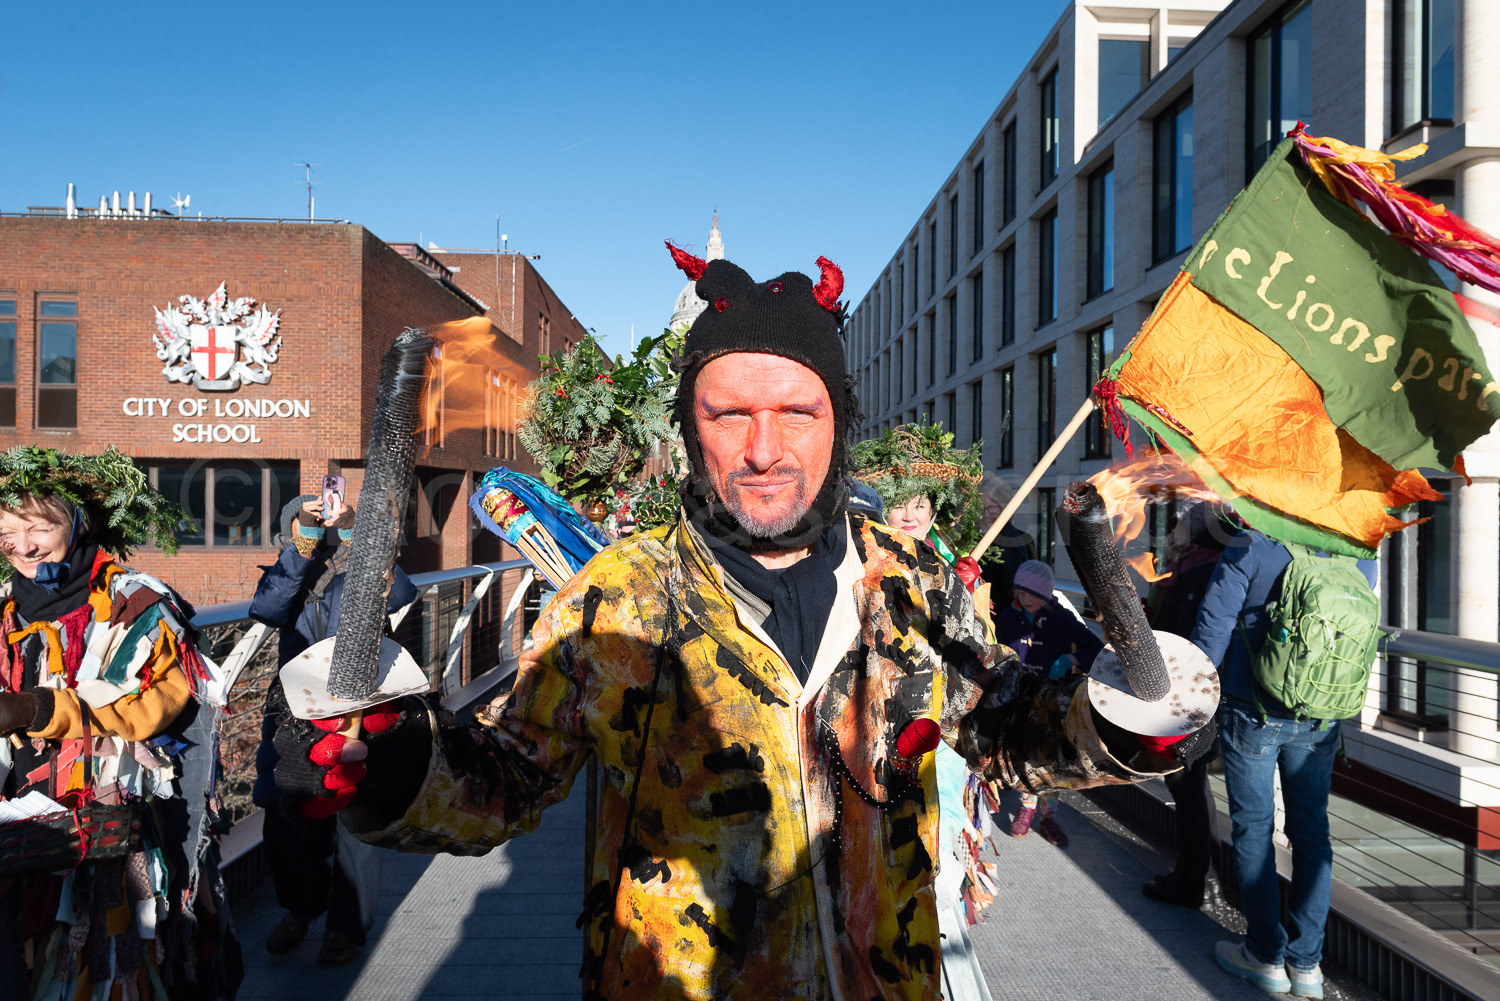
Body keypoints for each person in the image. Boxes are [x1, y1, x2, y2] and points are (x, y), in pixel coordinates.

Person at [270, 247, 1204, 1001]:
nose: (764, 449)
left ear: (840, 421)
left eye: (797, 411)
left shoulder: (912, 580)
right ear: (691, 426)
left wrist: (1118, 722)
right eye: (730, 413)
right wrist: (392, 766)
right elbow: (506, 778)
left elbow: (1005, 734)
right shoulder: (619, 596)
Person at [0, 446, 239, 1000]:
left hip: (114, 819)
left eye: (39, 527)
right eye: (8, 533)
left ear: (79, 522)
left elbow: (152, 708)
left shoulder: (139, 603)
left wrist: (39, 709)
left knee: (113, 956)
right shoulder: (6, 610)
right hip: (22, 822)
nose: (23, 546)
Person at [1191, 529, 1376, 999]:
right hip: (1321, 715)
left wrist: (1191, 704)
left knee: (1254, 827)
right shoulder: (1358, 553)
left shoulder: (1250, 545)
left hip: (1251, 707)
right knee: (1312, 831)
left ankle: (1264, 955)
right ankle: (1308, 966)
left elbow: (1212, 630)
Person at [851, 423, 995, 1000]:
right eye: (902, 503)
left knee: (938, 869)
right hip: (876, 736)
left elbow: (981, 662)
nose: (910, 516)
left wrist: (963, 607)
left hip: (940, 739)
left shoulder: (956, 570)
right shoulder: (863, 562)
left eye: (922, 504)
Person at [250, 494, 417, 966]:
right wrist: (303, 549)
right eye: (309, 524)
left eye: (326, 521)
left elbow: (401, 593)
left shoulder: (363, 573)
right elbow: (268, 608)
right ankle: (300, 911)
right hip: (295, 712)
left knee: (355, 820)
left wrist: (355, 537)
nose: (321, 528)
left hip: (360, 709)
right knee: (287, 817)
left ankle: (346, 928)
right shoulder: (287, 575)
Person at [1141, 501, 1232, 909]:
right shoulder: (1196, 567)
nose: (1172, 530)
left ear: (1196, 530)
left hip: (1190, 696)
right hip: (1196, 693)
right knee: (1190, 785)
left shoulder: (1199, 571)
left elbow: (1181, 637)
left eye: (1179, 524)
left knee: (1188, 783)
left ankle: (1196, 880)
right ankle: (1197, 876)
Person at [992, 559, 1105, 847]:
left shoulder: (1061, 618)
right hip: (1021, 697)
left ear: (1046, 594)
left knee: (1055, 759)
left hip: (1055, 699)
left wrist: (1071, 658)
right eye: (1022, 592)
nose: (1026, 599)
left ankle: (1049, 815)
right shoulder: (1008, 616)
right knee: (1026, 754)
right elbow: (998, 647)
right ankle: (1027, 808)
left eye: (1033, 594)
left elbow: (1096, 648)